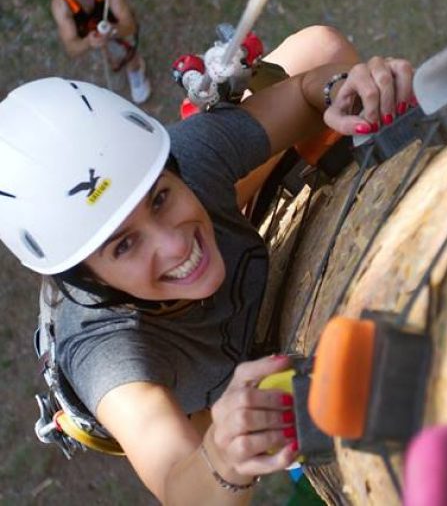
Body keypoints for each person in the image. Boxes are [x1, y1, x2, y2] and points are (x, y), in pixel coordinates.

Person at [0, 25, 413, 504]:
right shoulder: (106, 353)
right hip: (196, 394)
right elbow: (181, 487)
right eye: (124, 246)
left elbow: (308, 87)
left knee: (322, 49)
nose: (174, 245)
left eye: (160, 199)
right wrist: (222, 456)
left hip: (219, 247)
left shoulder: (190, 159)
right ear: (88, 282)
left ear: (171, 170)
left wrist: (340, 88)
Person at [50, 0, 151, 104]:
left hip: (111, 22)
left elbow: (130, 25)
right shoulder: (61, 6)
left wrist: (112, 31)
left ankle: (135, 69)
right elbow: (72, 48)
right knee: (110, 57)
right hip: (86, 30)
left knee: (129, 50)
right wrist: (89, 42)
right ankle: (115, 61)